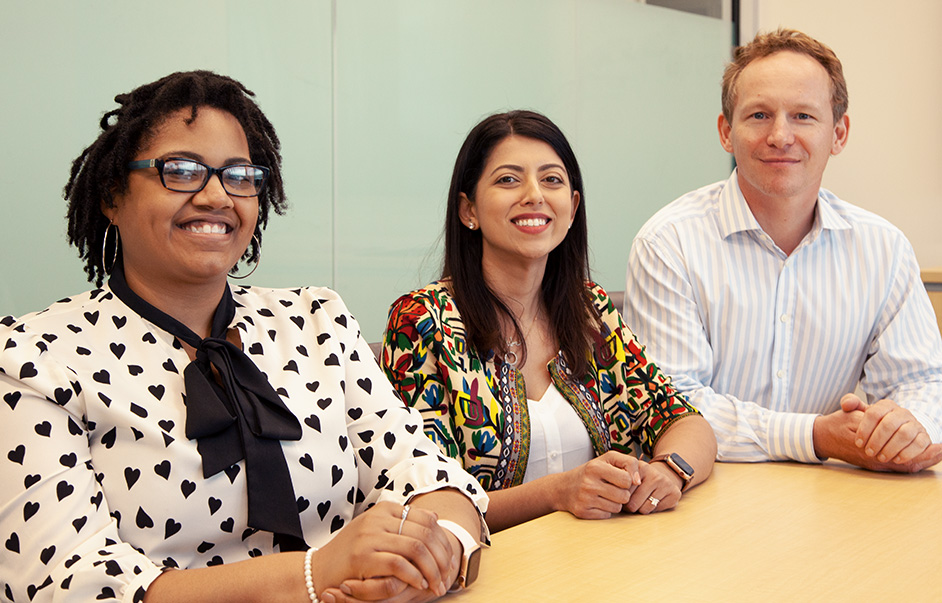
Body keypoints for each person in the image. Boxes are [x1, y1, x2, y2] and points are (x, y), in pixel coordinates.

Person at [0, 71, 488, 603]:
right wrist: (314, 575)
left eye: (239, 175)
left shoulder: (316, 318)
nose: (216, 195)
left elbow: (428, 474)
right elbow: (67, 583)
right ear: (112, 196)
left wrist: (431, 561)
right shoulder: (33, 359)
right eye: (181, 171)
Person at [381, 110, 716, 533]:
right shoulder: (422, 321)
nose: (534, 195)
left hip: (601, 560)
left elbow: (684, 420)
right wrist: (557, 492)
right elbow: (425, 501)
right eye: (508, 180)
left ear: (572, 207)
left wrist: (669, 471)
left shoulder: (590, 309)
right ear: (469, 210)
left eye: (552, 180)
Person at [624, 28, 942, 473]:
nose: (780, 135)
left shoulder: (883, 247)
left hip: (833, 498)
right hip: (702, 495)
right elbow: (675, 405)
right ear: (725, 131)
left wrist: (909, 427)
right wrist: (814, 436)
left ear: (839, 133)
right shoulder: (669, 243)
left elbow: (922, 381)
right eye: (758, 115)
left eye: (803, 116)